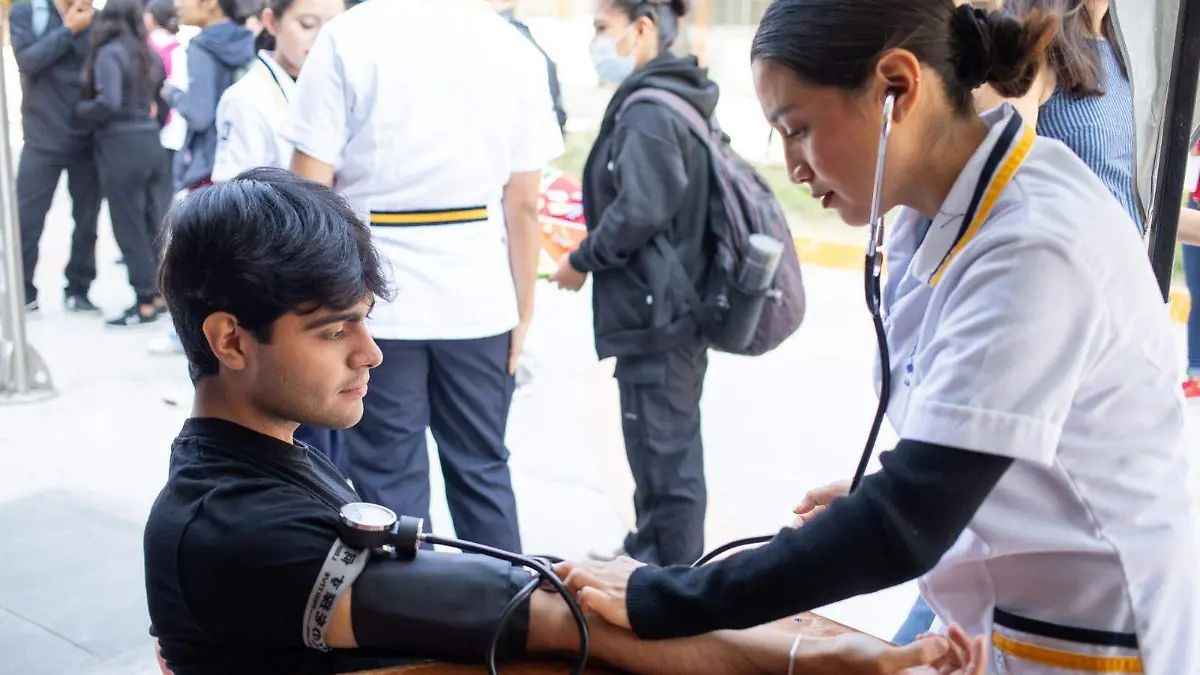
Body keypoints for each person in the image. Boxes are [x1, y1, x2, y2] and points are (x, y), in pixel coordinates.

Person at [555, 2, 1199, 674]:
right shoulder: (933, 216)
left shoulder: (1035, 243)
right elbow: (975, 448)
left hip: (1096, 638)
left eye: (798, 129)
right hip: (1009, 618)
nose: (792, 167)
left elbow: (902, 524)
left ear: (897, 86)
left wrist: (669, 595)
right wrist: (907, 489)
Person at [144, 166, 989, 675]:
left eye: (365, 318)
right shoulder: (241, 527)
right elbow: (564, 613)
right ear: (230, 339)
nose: (371, 352)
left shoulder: (249, 460)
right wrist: (826, 655)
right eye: (334, 330)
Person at [285, 0, 562, 553]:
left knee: (387, 478)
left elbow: (311, 194)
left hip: (374, 304)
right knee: (483, 470)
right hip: (480, 299)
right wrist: (523, 312)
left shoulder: (348, 37)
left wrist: (322, 315)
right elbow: (524, 204)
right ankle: (509, 615)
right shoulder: (511, 46)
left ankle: (410, 626)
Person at [548, 0, 714, 568]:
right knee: (652, 444)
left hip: (659, 311)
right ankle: (652, 551)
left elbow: (641, 209)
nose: (595, 42)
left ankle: (673, 577)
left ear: (642, 28)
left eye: (602, 29)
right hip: (659, 304)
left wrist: (582, 258)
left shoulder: (650, 108)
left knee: (667, 453)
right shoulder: (666, 95)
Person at [210, 0, 346, 459]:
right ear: (270, 22)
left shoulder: (332, 88)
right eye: (307, 25)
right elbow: (236, 202)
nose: (321, 40)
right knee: (297, 441)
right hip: (283, 286)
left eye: (333, 27)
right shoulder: (249, 99)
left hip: (327, 284)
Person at [980, 0, 1141, 229]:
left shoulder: (1124, 49)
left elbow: (1125, 199)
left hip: (1126, 258)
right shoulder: (1034, 47)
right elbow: (994, 183)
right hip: (1068, 258)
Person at [75, 0, 173, 328]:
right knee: (152, 224)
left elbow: (109, 102)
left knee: (128, 225)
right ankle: (159, 294)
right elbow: (161, 98)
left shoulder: (109, 53)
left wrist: (80, 111)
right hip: (150, 142)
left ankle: (145, 300)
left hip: (120, 144)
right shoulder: (147, 52)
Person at [8, 0, 103, 314]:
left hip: (87, 139)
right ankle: (23, 291)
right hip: (41, 139)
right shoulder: (27, 11)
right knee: (27, 222)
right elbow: (28, 61)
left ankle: (79, 288)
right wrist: (67, 31)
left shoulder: (98, 19)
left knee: (87, 221)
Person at [164, 0, 255, 192]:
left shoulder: (202, 47)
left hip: (210, 165)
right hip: (247, 157)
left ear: (211, 3)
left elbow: (199, 116)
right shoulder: (246, 41)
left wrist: (172, 93)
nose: (177, 4)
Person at [145, 0, 186, 170]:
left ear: (152, 18)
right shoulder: (180, 48)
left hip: (148, 116)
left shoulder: (146, 44)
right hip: (173, 119)